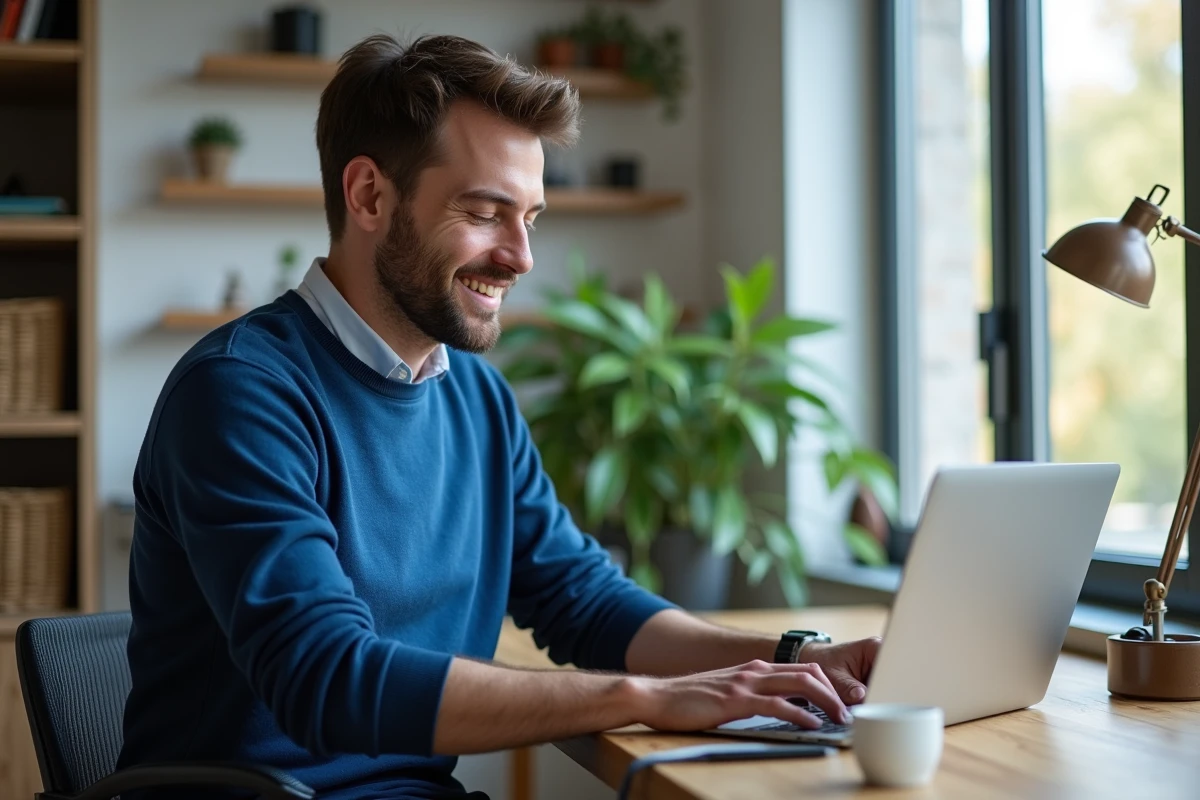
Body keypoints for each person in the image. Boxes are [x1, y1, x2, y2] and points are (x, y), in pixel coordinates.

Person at [117, 33, 880, 800]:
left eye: (531, 218)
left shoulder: (475, 398)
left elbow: (582, 601)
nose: (521, 256)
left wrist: (795, 660)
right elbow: (326, 675)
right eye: (486, 212)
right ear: (370, 196)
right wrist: (644, 698)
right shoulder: (240, 392)